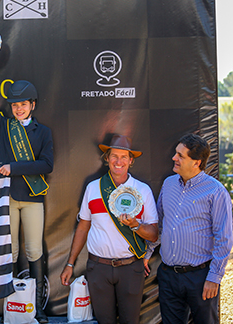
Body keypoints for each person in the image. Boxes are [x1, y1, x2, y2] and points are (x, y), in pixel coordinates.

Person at [0, 53, 53, 323]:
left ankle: (39, 308)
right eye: (14, 104)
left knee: (34, 250)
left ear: (32, 104)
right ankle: (12, 305)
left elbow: (46, 165)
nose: (19, 108)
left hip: (32, 197)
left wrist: (13, 167)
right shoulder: (4, 125)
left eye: (23, 104)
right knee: (12, 251)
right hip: (6, 197)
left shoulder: (43, 132)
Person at [60, 134, 158, 324]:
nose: (118, 161)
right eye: (114, 156)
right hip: (99, 268)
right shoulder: (93, 187)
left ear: (131, 160)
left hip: (131, 268)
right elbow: (83, 227)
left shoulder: (142, 190)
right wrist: (70, 263)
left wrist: (136, 225)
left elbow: (154, 235)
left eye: (123, 157)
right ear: (106, 159)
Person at [153, 133, 232, 324]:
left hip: (201, 277)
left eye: (181, 155)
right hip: (168, 276)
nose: (174, 158)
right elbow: (160, 224)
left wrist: (214, 277)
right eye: (176, 153)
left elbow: (224, 238)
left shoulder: (216, 191)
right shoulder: (169, 184)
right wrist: (147, 253)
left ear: (197, 162)